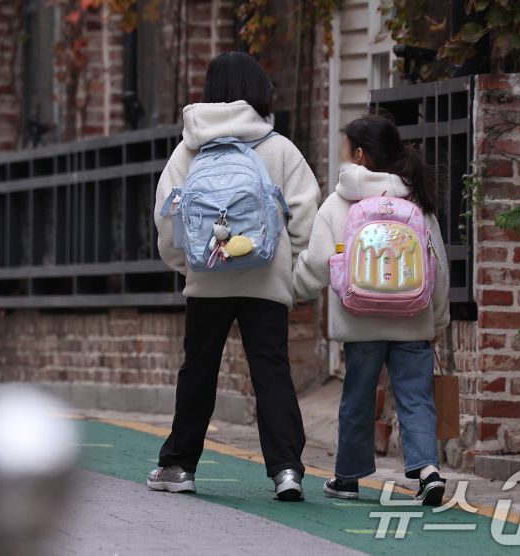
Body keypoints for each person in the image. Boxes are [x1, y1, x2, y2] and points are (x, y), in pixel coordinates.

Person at [148, 51, 320, 501]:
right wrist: (291, 269)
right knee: (271, 371)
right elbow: (306, 212)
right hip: (266, 281)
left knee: (199, 370)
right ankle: (286, 470)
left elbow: (167, 215)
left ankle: (178, 466)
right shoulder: (278, 147)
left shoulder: (190, 148)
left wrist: (185, 264)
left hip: (208, 278)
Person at [292, 114, 450, 506]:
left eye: (346, 148)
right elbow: (438, 265)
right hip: (413, 320)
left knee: (357, 398)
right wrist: (440, 318)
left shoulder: (339, 203)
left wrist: (293, 290)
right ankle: (427, 470)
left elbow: (315, 263)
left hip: (359, 321)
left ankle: (347, 478)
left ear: (359, 154)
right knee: (415, 397)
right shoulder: (415, 200)